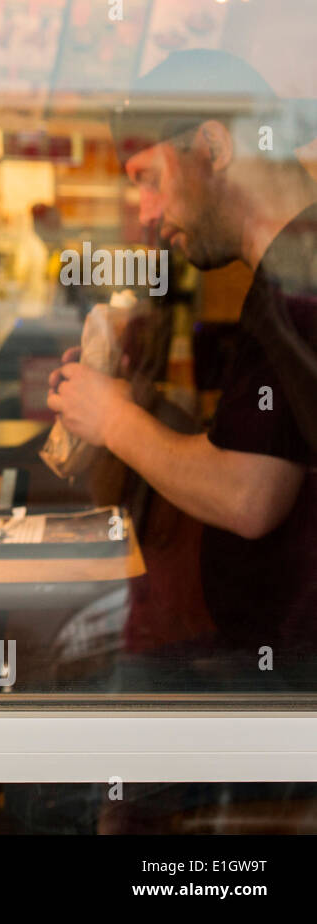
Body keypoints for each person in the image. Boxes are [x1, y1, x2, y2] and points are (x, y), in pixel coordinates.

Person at [48, 50, 317, 687]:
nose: (143, 210)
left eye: (148, 177)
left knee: (57, 737)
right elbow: (254, 453)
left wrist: (114, 420)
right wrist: (135, 406)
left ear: (213, 149)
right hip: (273, 664)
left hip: (288, 688)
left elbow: (248, 496)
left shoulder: (300, 281)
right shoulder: (285, 276)